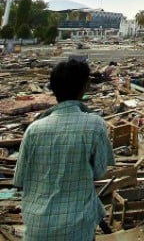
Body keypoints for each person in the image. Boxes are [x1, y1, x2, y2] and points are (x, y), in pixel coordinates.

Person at [13, 58, 114, 240]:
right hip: (77, 226)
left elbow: (20, 180)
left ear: (53, 89)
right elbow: (99, 172)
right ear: (85, 87)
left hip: (37, 227)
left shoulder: (33, 130)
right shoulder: (94, 125)